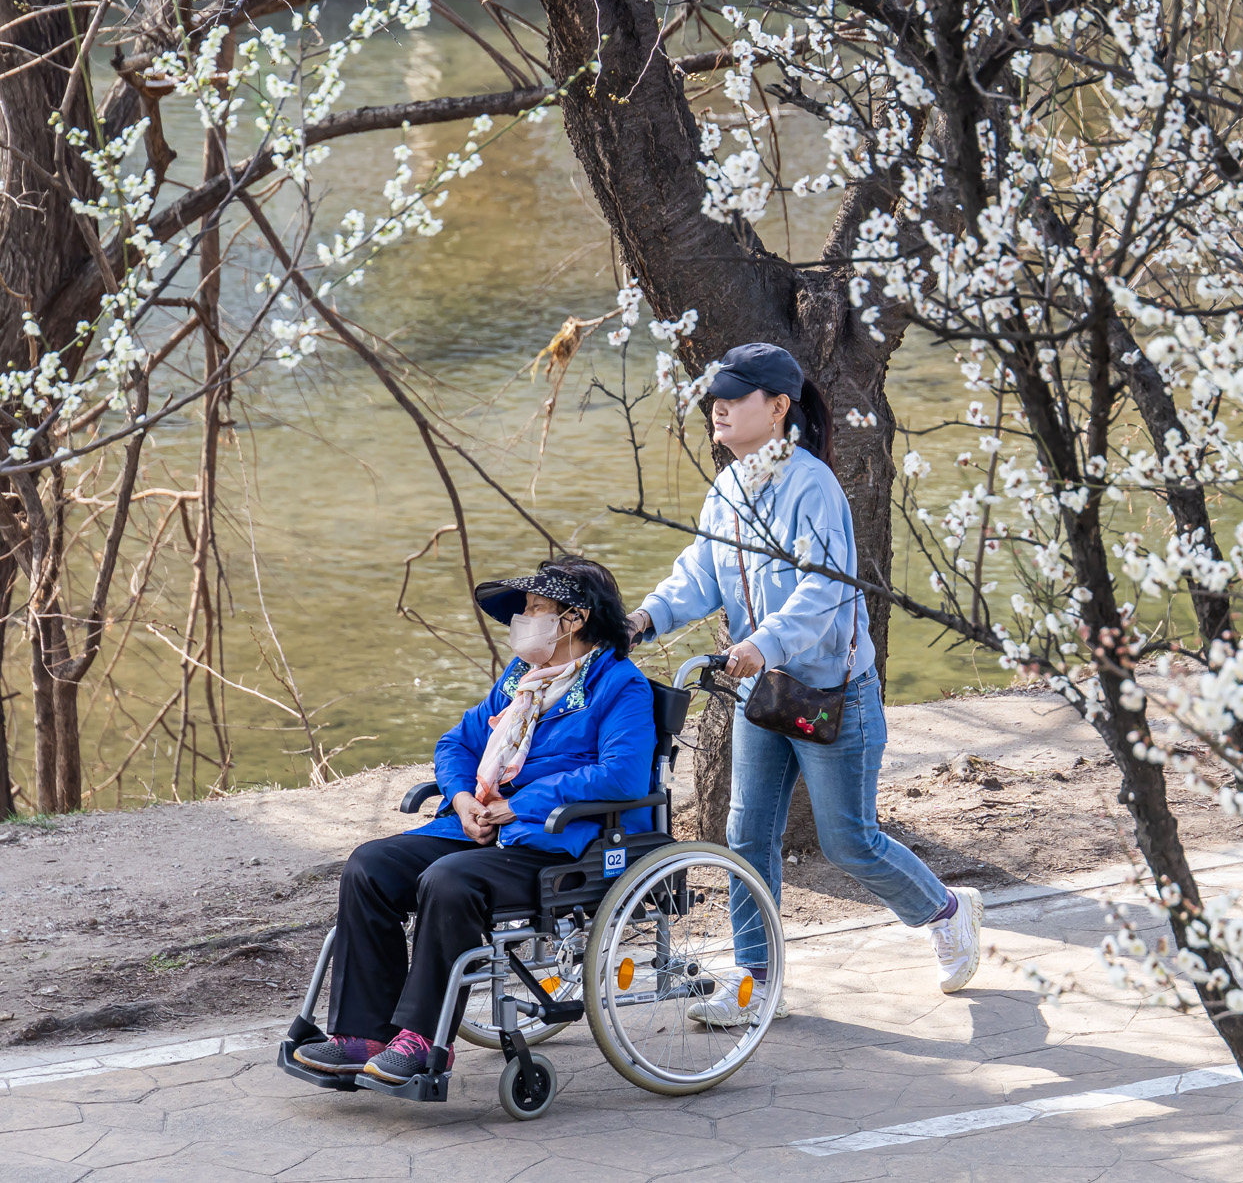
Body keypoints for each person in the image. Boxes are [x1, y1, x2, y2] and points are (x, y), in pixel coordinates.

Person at [628, 341, 982, 1026]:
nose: (719, 408)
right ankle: (758, 983)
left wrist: (761, 643)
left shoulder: (811, 485)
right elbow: (698, 576)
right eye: (715, 397)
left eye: (735, 397)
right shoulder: (729, 487)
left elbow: (823, 592)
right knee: (746, 834)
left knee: (850, 841)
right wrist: (645, 615)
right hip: (766, 694)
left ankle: (946, 911)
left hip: (830, 693)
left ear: (779, 407)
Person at [293, 556, 656, 1081]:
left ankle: (422, 1041)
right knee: (370, 866)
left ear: (574, 619)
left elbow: (621, 776)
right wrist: (463, 799)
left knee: (446, 880)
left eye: (535, 609)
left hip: (556, 840)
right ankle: (363, 1034)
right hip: (481, 825)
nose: (522, 621)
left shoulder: (621, 686)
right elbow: (457, 743)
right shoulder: (522, 679)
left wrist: (520, 804)